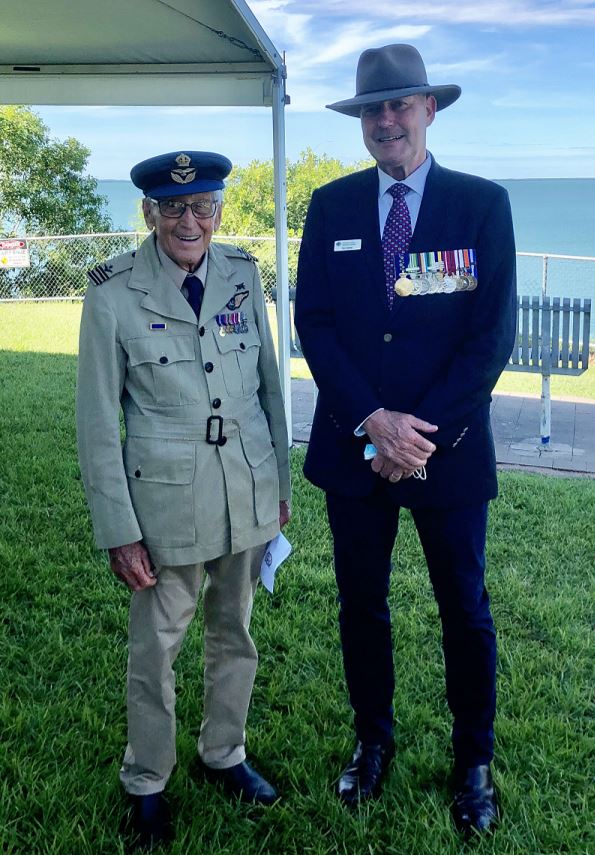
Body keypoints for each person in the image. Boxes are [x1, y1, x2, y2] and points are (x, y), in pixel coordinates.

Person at [295, 44, 516, 834]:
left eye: (399, 105)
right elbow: (314, 322)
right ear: (361, 121)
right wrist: (372, 421)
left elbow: (490, 337)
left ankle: (474, 758)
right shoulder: (331, 206)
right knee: (363, 604)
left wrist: (421, 434)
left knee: (465, 606)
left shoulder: (480, 204)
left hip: (446, 453)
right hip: (355, 449)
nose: (385, 120)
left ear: (428, 109)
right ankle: (372, 739)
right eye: (371, 110)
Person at [76, 150, 290, 851]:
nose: (189, 221)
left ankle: (224, 752)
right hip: (164, 506)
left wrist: (278, 491)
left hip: (246, 491)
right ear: (149, 213)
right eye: (173, 209)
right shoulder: (112, 292)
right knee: (155, 650)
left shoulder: (242, 274)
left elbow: (269, 391)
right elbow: (97, 424)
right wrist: (118, 529)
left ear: (220, 210)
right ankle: (147, 779)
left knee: (237, 635)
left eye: (202, 206)